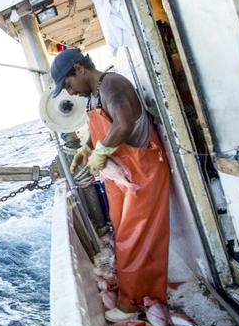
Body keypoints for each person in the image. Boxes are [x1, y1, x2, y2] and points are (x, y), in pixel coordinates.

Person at [51, 47, 170, 308]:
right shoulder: (95, 95)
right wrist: (88, 148)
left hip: (141, 171)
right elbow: (103, 127)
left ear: (80, 69)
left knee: (134, 239)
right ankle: (144, 294)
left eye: (68, 84)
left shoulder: (111, 85)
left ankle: (134, 303)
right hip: (122, 176)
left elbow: (123, 124)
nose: (70, 92)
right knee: (123, 236)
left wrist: (102, 151)